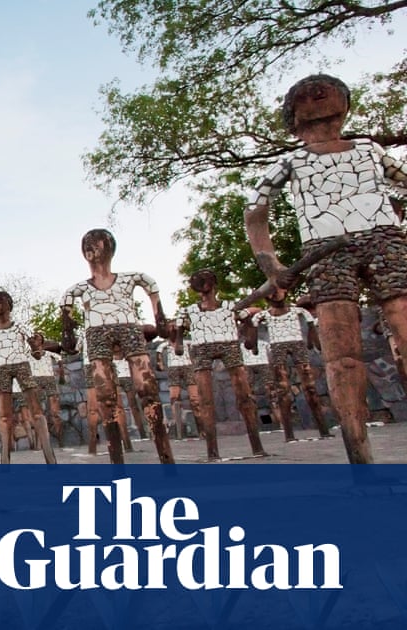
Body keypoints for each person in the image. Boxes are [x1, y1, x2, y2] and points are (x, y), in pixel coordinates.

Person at [246, 74, 407, 463]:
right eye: (308, 97)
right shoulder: (293, 162)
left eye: (325, 92)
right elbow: (255, 212)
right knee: (342, 354)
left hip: (385, 241)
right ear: (294, 119)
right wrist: (272, 264)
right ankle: (359, 457)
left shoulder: (370, 151)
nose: (317, 95)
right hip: (325, 251)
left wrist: (393, 215)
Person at [60, 230, 173, 464]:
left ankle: (165, 457)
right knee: (105, 396)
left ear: (110, 248)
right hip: (97, 332)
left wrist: (159, 315)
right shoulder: (78, 289)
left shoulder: (129, 279)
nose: (91, 249)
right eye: (87, 245)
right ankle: (117, 464)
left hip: (128, 327)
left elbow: (150, 285)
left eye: (97, 244)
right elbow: (67, 311)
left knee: (147, 390)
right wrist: (67, 332)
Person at [174, 269, 265, 459]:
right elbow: (179, 329)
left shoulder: (230, 307)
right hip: (201, 347)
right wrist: (179, 345)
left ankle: (257, 446)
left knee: (244, 394)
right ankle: (212, 451)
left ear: (214, 283)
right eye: (199, 281)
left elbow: (247, 320)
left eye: (206, 280)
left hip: (228, 343)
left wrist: (250, 340)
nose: (202, 285)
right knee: (205, 398)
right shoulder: (189, 311)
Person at [0, 291, 55, 464]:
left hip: (22, 366)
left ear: (9, 304)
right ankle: (5, 459)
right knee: (5, 415)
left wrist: (37, 346)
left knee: (36, 411)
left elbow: (36, 350)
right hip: (1, 369)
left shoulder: (21, 326)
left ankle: (49, 455)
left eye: (2, 302)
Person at [251, 289, 332, 439]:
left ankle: (322, 429)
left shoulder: (299, 312)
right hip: (276, 349)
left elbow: (311, 329)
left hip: (296, 345)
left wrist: (313, 342)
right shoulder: (262, 316)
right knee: (281, 391)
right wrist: (254, 346)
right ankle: (287, 432)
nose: (275, 295)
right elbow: (253, 334)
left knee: (309, 387)